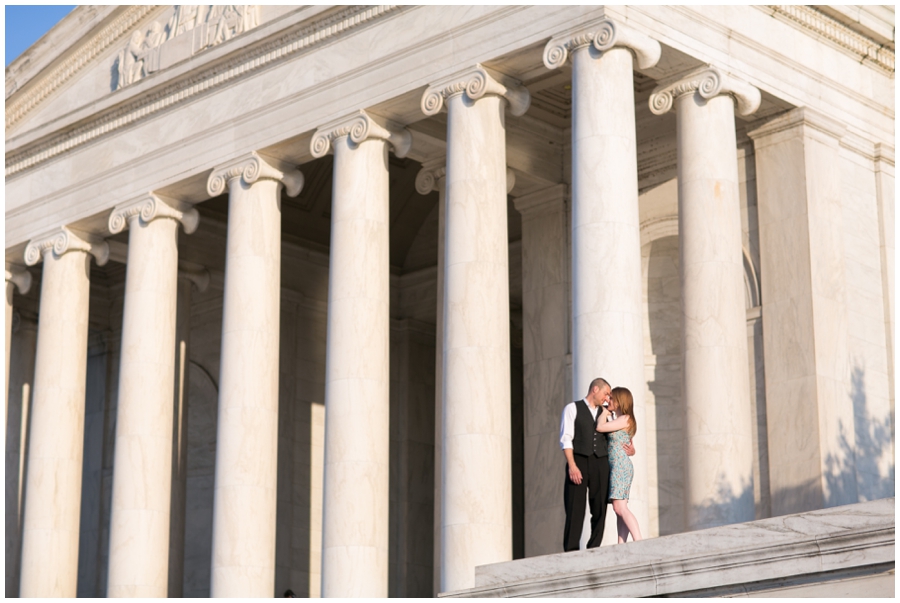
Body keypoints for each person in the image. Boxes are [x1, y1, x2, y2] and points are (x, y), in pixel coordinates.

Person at [560, 378, 635, 551]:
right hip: (578, 460)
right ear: (595, 389)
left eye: (610, 395)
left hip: (601, 463)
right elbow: (566, 439)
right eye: (606, 393)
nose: (608, 398)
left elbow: (622, 435)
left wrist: (632, 449)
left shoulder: (609, 414)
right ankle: (571, 551)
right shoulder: (572, 409)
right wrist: (572, 465)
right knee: (575, 507)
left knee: (600, 509)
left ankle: (594, 548)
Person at [596, 386, 643, 543]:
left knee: (619, 508)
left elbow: (600, 427)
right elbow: (629, 444)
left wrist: (604, 413)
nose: (608, 400)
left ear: (619, 401)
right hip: (619, 466)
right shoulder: (623, 420)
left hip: (620, 467)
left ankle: (639, 540)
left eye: (612, 398)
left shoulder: (624, 419)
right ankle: (621, 543)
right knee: (619, 509)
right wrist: (633, 450)